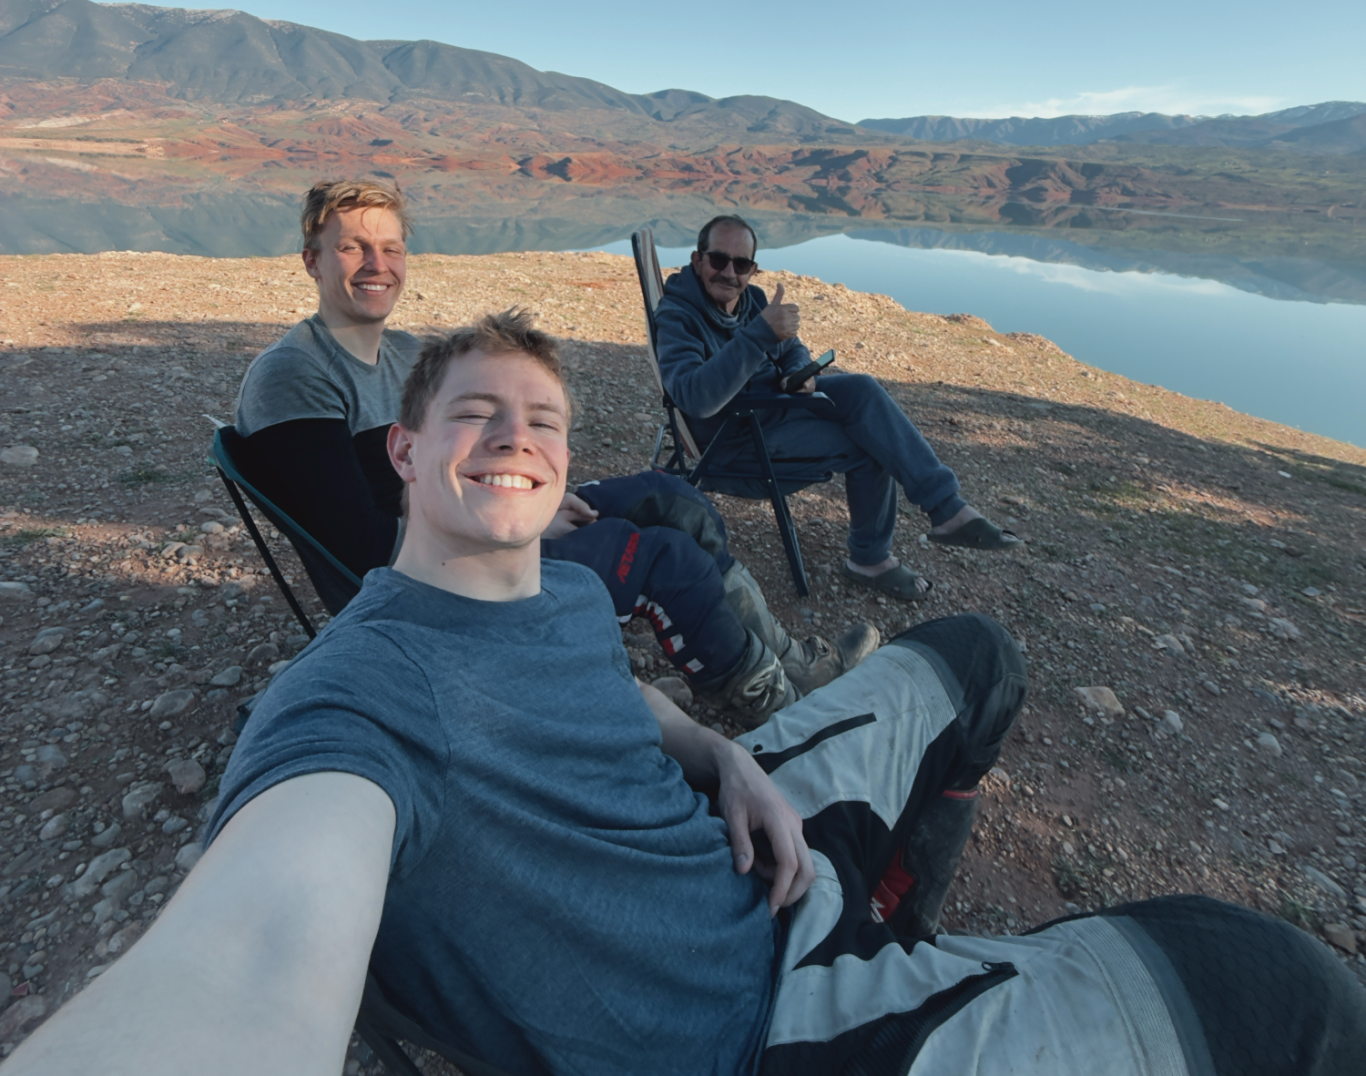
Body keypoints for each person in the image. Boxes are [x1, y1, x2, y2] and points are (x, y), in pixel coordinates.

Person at [11, 311, 1362, 1076]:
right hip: (763, 1025)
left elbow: (614, 697)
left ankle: (904, 919)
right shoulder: (350, 704)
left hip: (755, 845)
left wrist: (724, 758)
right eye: (477, 413)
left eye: (543, 420)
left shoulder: (550, 594)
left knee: (976, 655)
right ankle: (912, 976)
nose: (517, 436)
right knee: (1279, 987)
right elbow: (246, 962)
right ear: (404, 453)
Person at [232, 179, 875, 723]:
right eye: (352, 247)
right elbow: (359, 548)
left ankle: (791, 660)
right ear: (312, 260)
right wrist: (525, 526)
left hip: (469, 519)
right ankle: (778, 705)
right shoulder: (295, 374)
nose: (377, 264)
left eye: (391, 248)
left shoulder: (403, 352)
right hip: (431, 575)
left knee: (671, 496)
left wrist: (530, 494)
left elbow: (464, 460)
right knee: (664, 558)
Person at [654, 214, 1021, 602]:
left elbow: (792, 349)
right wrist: (760, 334)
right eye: (718, 260)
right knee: (871, 444)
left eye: (741, 264)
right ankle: (869, 559)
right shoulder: (680, 316)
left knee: (861, 390)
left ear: (753, 270)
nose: (729, 273)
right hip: (733, 441)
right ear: (697, 260)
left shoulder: (752, 301)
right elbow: (695, 398)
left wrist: (799, 374)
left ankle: (947, 506)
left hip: (770, 409)